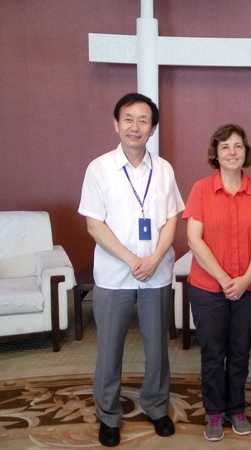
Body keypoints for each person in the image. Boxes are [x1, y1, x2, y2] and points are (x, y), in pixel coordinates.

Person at [78, 93, 184, 447]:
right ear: (116, 124)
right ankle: (108, 415)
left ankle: (156, 406)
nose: (135, 126)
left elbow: (173, 218)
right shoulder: (99, 169)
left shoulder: (164, 169)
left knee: (157, 348)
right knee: (109, 349)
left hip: (157, 272)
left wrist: (154, 259)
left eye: (143, 120)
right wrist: (130, 259)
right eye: (128, 118)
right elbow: (94, 224)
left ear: (152, 129)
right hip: (113, 275)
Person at [182, 123, 251, 442]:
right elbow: (194, 239)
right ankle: (214, 411)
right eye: (225, 146)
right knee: (212, 352)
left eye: (238, 146)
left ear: (246, 151)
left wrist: (245, 279)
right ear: (216, 154)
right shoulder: (201, 189)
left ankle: (236, 408)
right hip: (208, 288)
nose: (232, 152)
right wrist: (223, 278)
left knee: (239, 351)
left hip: (248, 287)